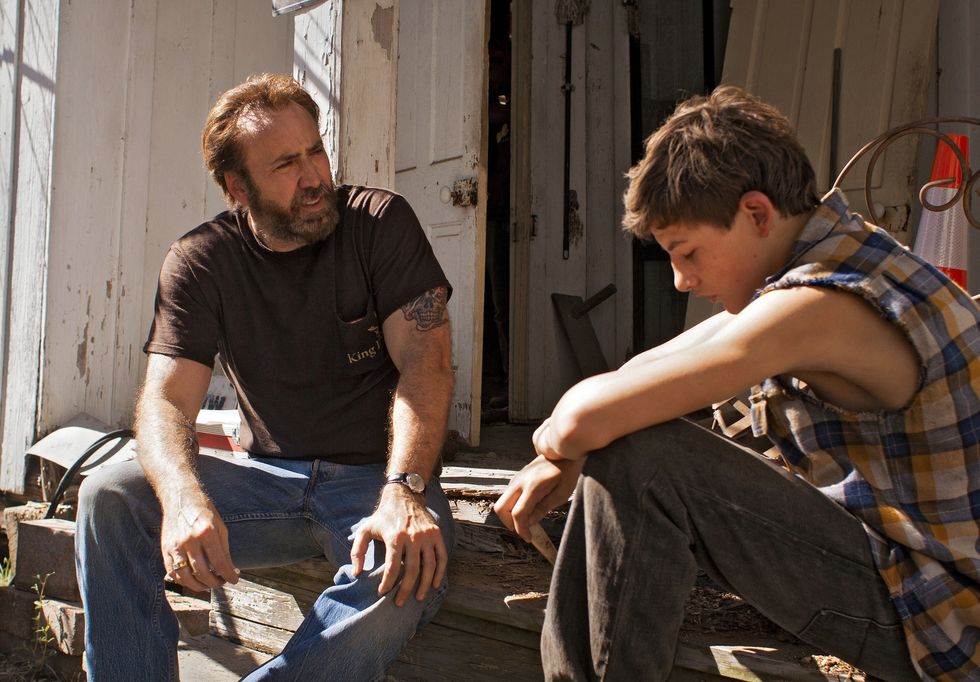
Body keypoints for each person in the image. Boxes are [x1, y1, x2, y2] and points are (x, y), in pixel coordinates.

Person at [495, 86, 979, 681]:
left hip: (943, 620)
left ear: (756, 213)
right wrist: (571, 443)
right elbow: (633, 375)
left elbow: (583, 417)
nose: (679, 280)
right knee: (629, 434)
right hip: (914, 575)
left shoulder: (817, 306)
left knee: (642, 458)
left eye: (687, 251)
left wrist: (559, 447)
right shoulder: (845, 259)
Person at [75, 73, 456, 681]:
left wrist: (405, 490)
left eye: (316, 152)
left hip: (375, 481)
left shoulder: (380, 223)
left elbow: (426, 363)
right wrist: (182, 499)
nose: (313, 177)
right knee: (110, 498)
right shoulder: (201, 261)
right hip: (267, 482)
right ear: (237, 187)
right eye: (285, 164)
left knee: (404, 562)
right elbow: (165, 403)